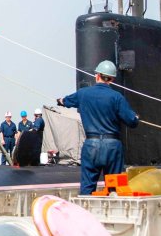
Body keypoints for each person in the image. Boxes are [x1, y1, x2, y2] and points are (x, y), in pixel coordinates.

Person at [57, 60, 138, 195]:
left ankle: (85, 206)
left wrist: (60, 101)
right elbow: (132, 121)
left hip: (91, 146)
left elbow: (65, 101)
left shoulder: (83, 93)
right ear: (112, 79)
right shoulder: (117, 97)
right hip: (112, 146)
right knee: (114, 188)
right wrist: (136, 117)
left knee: (87, 188)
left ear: (97, 75)